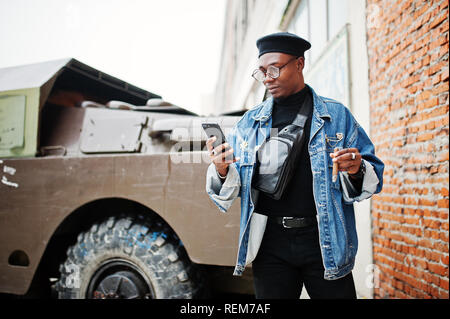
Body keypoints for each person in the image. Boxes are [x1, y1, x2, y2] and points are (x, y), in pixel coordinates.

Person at [205, 32, 384, 299]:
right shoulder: (249, 123)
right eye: (262, 71)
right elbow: (229, 192)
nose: (267, 78)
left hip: (325, 241)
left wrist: (356, 169)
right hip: (270, 244)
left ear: (299, 64)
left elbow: (373, 178)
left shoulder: (336, 116)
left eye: (275, 69)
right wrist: (220, 170)